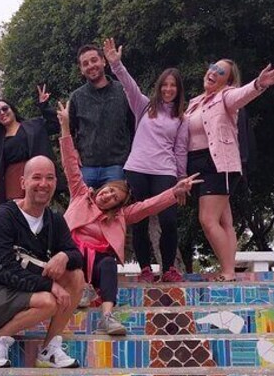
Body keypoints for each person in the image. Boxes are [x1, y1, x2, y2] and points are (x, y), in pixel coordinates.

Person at [57, 101, 201, 336]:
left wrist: (175, 191)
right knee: (75, 252)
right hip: (69, 255)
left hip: (97, 263)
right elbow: (70, 165)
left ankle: (107, 317)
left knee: (108, 264)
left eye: (114, 198)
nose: (107, 196)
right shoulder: (81, 195)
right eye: (109, 190)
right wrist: (65, 127)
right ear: (103, 187)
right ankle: (80, 287)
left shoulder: (120, 216)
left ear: (116, 205)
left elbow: (148, 206)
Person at [0, 155, 85, 369]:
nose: (43, 184)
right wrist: (49, 285)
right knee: (48, 301)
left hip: (27, 291)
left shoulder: (55, 220)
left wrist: (64, 256)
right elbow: (3, 268)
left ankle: (49, 349)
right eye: (37, 177)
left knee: (76, 276)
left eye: (50, 178)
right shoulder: (4, 216)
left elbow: (77, 256)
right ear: (23, 183)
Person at [185, 59, 274, 281]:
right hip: (196, 164)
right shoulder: (195, 102)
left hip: (218, 164)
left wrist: (259, 84)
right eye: (213, 67)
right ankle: (229, 269)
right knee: (225, 222)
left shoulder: (227, 96)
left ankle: (228, 271)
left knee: (207, 219)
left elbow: (242, 95)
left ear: (228, 81)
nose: (214, 72)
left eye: (221, 72)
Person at [103, 38, 190, 283]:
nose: (168, 89)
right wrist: (116, 65)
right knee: (138, 221)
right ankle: (144, 269)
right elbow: (129, 86)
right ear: (159, 86)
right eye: (165, 85)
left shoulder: (182, 119)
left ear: (178, 90)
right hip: (137, 169)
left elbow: (180, 150)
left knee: (169, 221)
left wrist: (182, 180)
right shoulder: (144, 106)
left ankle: (169, 268)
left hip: (165, 172)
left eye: (173, 86)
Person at [68, 44, 134, 189]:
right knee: (83, 204)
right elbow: (68, 129)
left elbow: (135, 125)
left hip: (117, 166)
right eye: (85, 63)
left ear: (103, 61)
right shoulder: (76, 97)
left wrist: (131, 156)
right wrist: (73, 150)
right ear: (81, 70)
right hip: (86, 167)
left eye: (94, 60)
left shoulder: (123, 91)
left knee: (115, 204)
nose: (91, 66)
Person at [0, 85, 61, 204]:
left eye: (5, 108)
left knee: (37, 208)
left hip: (36, 176)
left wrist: (44, 106)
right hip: (12, 181)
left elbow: (55, 125)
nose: (2, 113)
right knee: (17, 211)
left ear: (12, 109)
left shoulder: (34, 126)